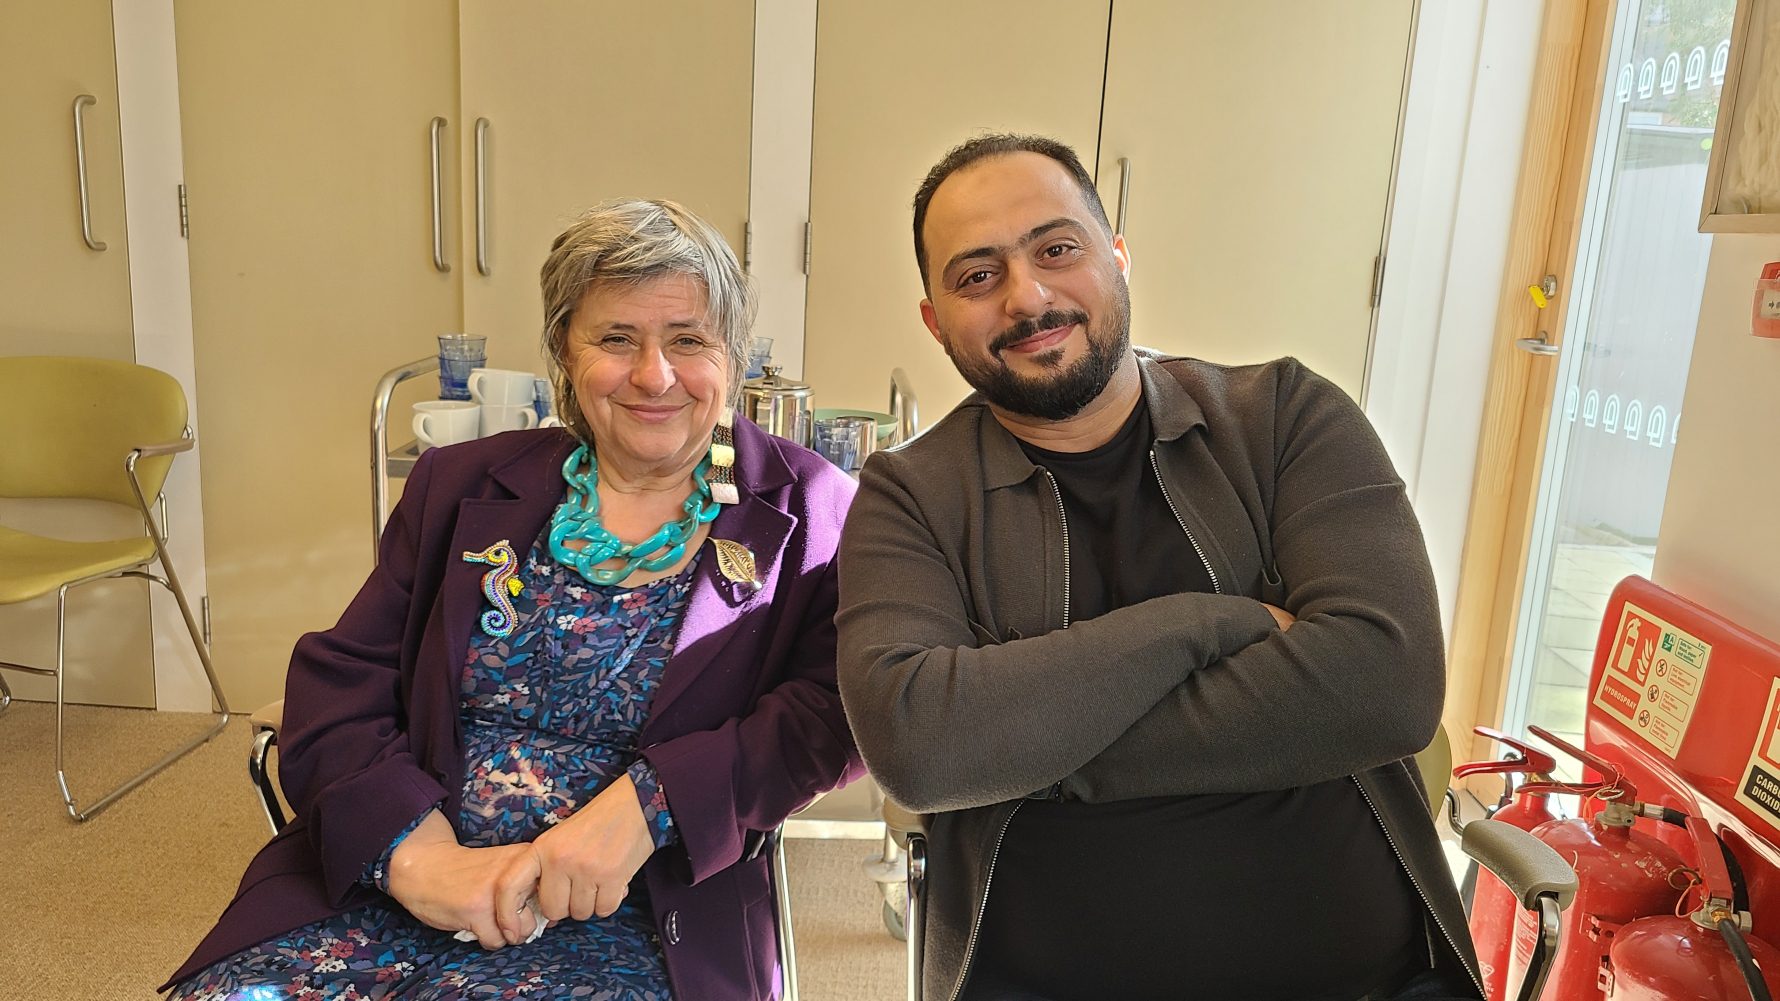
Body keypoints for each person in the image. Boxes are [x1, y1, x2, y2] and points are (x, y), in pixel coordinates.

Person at [835, 134, 1482, 1001]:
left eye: (1056, 250)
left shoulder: (1286, 419)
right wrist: (1214, 622)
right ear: (935, 320)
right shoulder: (909, 496)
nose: (1027, 297)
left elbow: (1388, 684)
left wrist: (1031, 748)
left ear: (1118, 256)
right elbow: (919, 747)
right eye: (978, 275)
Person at [165, 199, 862, 1000]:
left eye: (688, 339)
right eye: (616, 338)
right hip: (400, 890)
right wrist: (415, 855)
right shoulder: (460, 484)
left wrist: (654, 802)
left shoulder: (810, 507)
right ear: (564, 350)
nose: (654, 375)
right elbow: (340, 683)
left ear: (731, 355)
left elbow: (837, 711)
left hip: (634, 914)